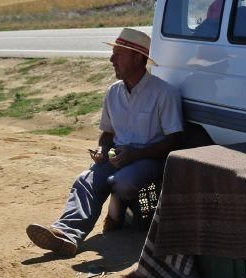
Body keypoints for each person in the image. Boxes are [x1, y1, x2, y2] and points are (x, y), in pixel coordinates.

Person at [26, 27, 183, 257]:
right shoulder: (113, 92)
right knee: (85, 180)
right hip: (117, 156)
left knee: (122, 181)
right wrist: (102, 149)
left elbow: (173, 141)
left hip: (149, 160)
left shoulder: (163, 93)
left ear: (138, 58)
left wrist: (136, 154)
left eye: (118, 54)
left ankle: (115, 216)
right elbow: (108, 134)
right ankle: (66, 234)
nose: (111, 59)